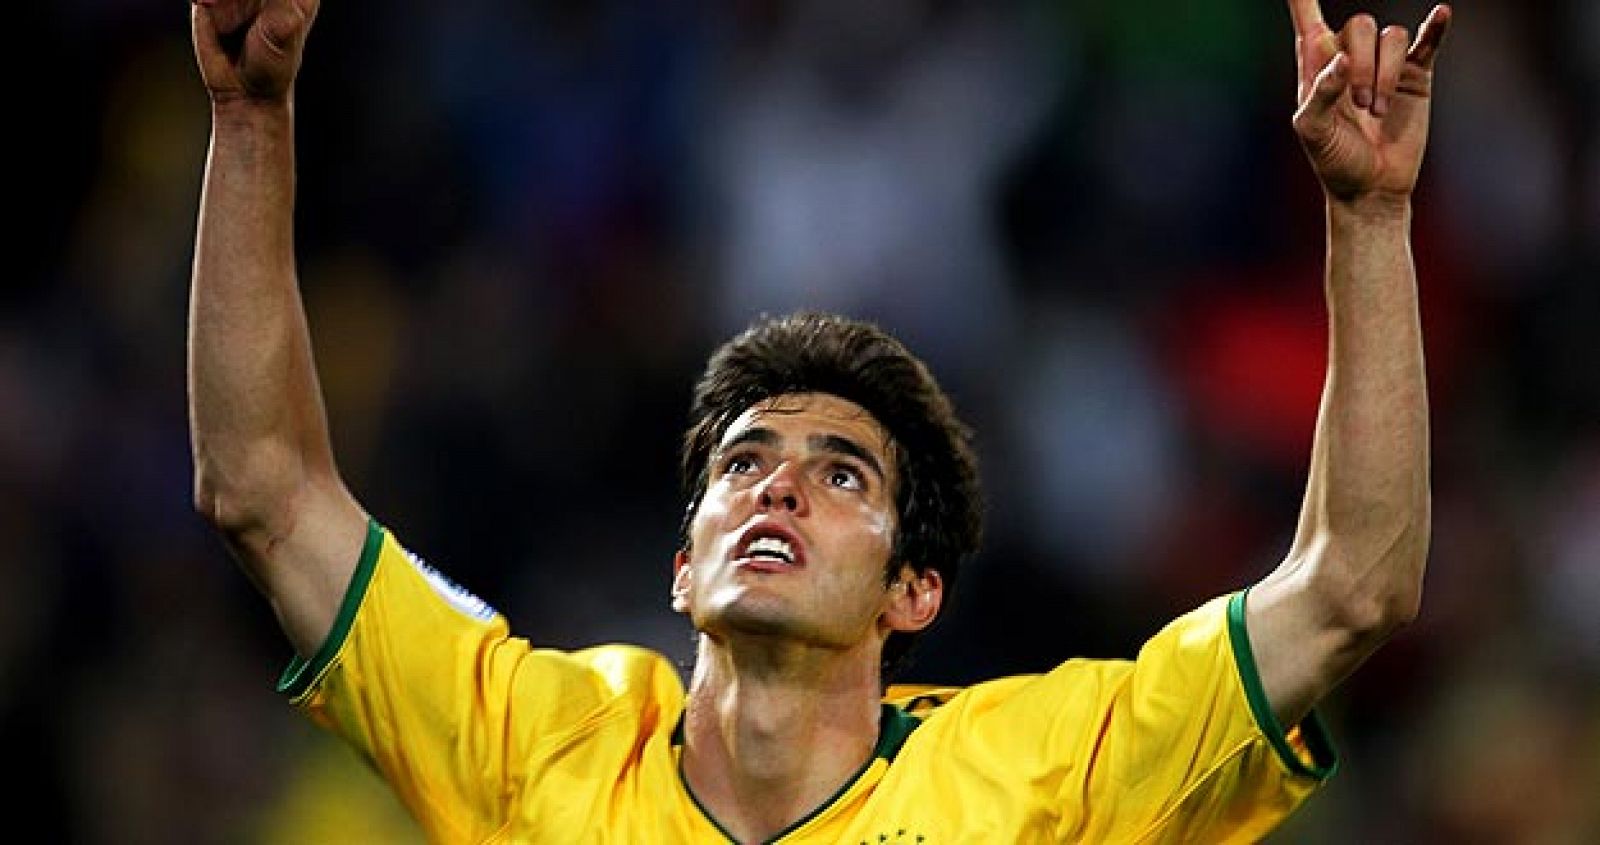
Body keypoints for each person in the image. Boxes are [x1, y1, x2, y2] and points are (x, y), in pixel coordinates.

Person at [186, 0, 1450, 841]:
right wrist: (250, 123)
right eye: (743, 462)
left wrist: (1369, 223)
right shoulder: (549, 753)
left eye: (843, 474)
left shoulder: (1038, 778)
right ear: (683, 565)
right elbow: (264, 487)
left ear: (913, 592)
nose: (776, 489)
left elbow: (1351, 585)